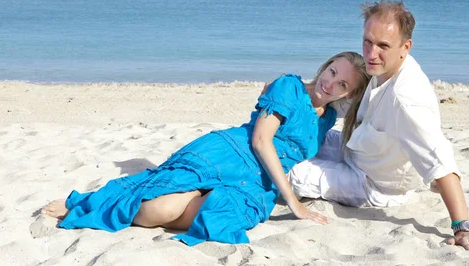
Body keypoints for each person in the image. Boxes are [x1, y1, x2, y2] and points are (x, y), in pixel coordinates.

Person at [42, 52, 370, 246]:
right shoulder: (289, 86)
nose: (330, 83)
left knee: (192, 214)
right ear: (325, 66)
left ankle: (176, 197)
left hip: (258, 183)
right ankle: (87, 203)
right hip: (230, 151)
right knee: (158, 210)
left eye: (343, 84)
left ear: (347, 95)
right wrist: (294, 203)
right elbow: (260, 140)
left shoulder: (326, 118)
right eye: (332, 72)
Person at [288, 0, 469, 253]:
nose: (371, 54)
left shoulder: (407, 101)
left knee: (290, 170)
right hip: (353, 147)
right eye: (367, 42)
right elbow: (343, 101)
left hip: (370, 183)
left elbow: (441, 161)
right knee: (296, 139)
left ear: (405, 47)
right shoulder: (382, 68)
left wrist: (462, 227)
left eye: (383, 46)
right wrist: (288, 91)